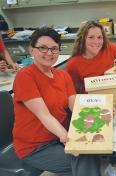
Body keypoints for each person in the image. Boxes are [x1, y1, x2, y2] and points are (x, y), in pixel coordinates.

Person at [12, 27, 100, 176]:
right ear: (31, 50)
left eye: (54, 49)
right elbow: (44, 115)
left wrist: (99, 112)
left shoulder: (62, 75)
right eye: (43, 48)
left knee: (89, 154)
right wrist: (66, 137)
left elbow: (75, 105)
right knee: (82, 160)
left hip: (57, 137)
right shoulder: (25, 76)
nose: (49, 53)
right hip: (35, 146)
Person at [65, 21, 116, 176]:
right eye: (91, 37)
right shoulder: (73, 64)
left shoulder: (108, 48)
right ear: (82, 39)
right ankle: (114, 164)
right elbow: (73, 97)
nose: (96, 41)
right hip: (93, 108)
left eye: (99, 37)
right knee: (111, 128)